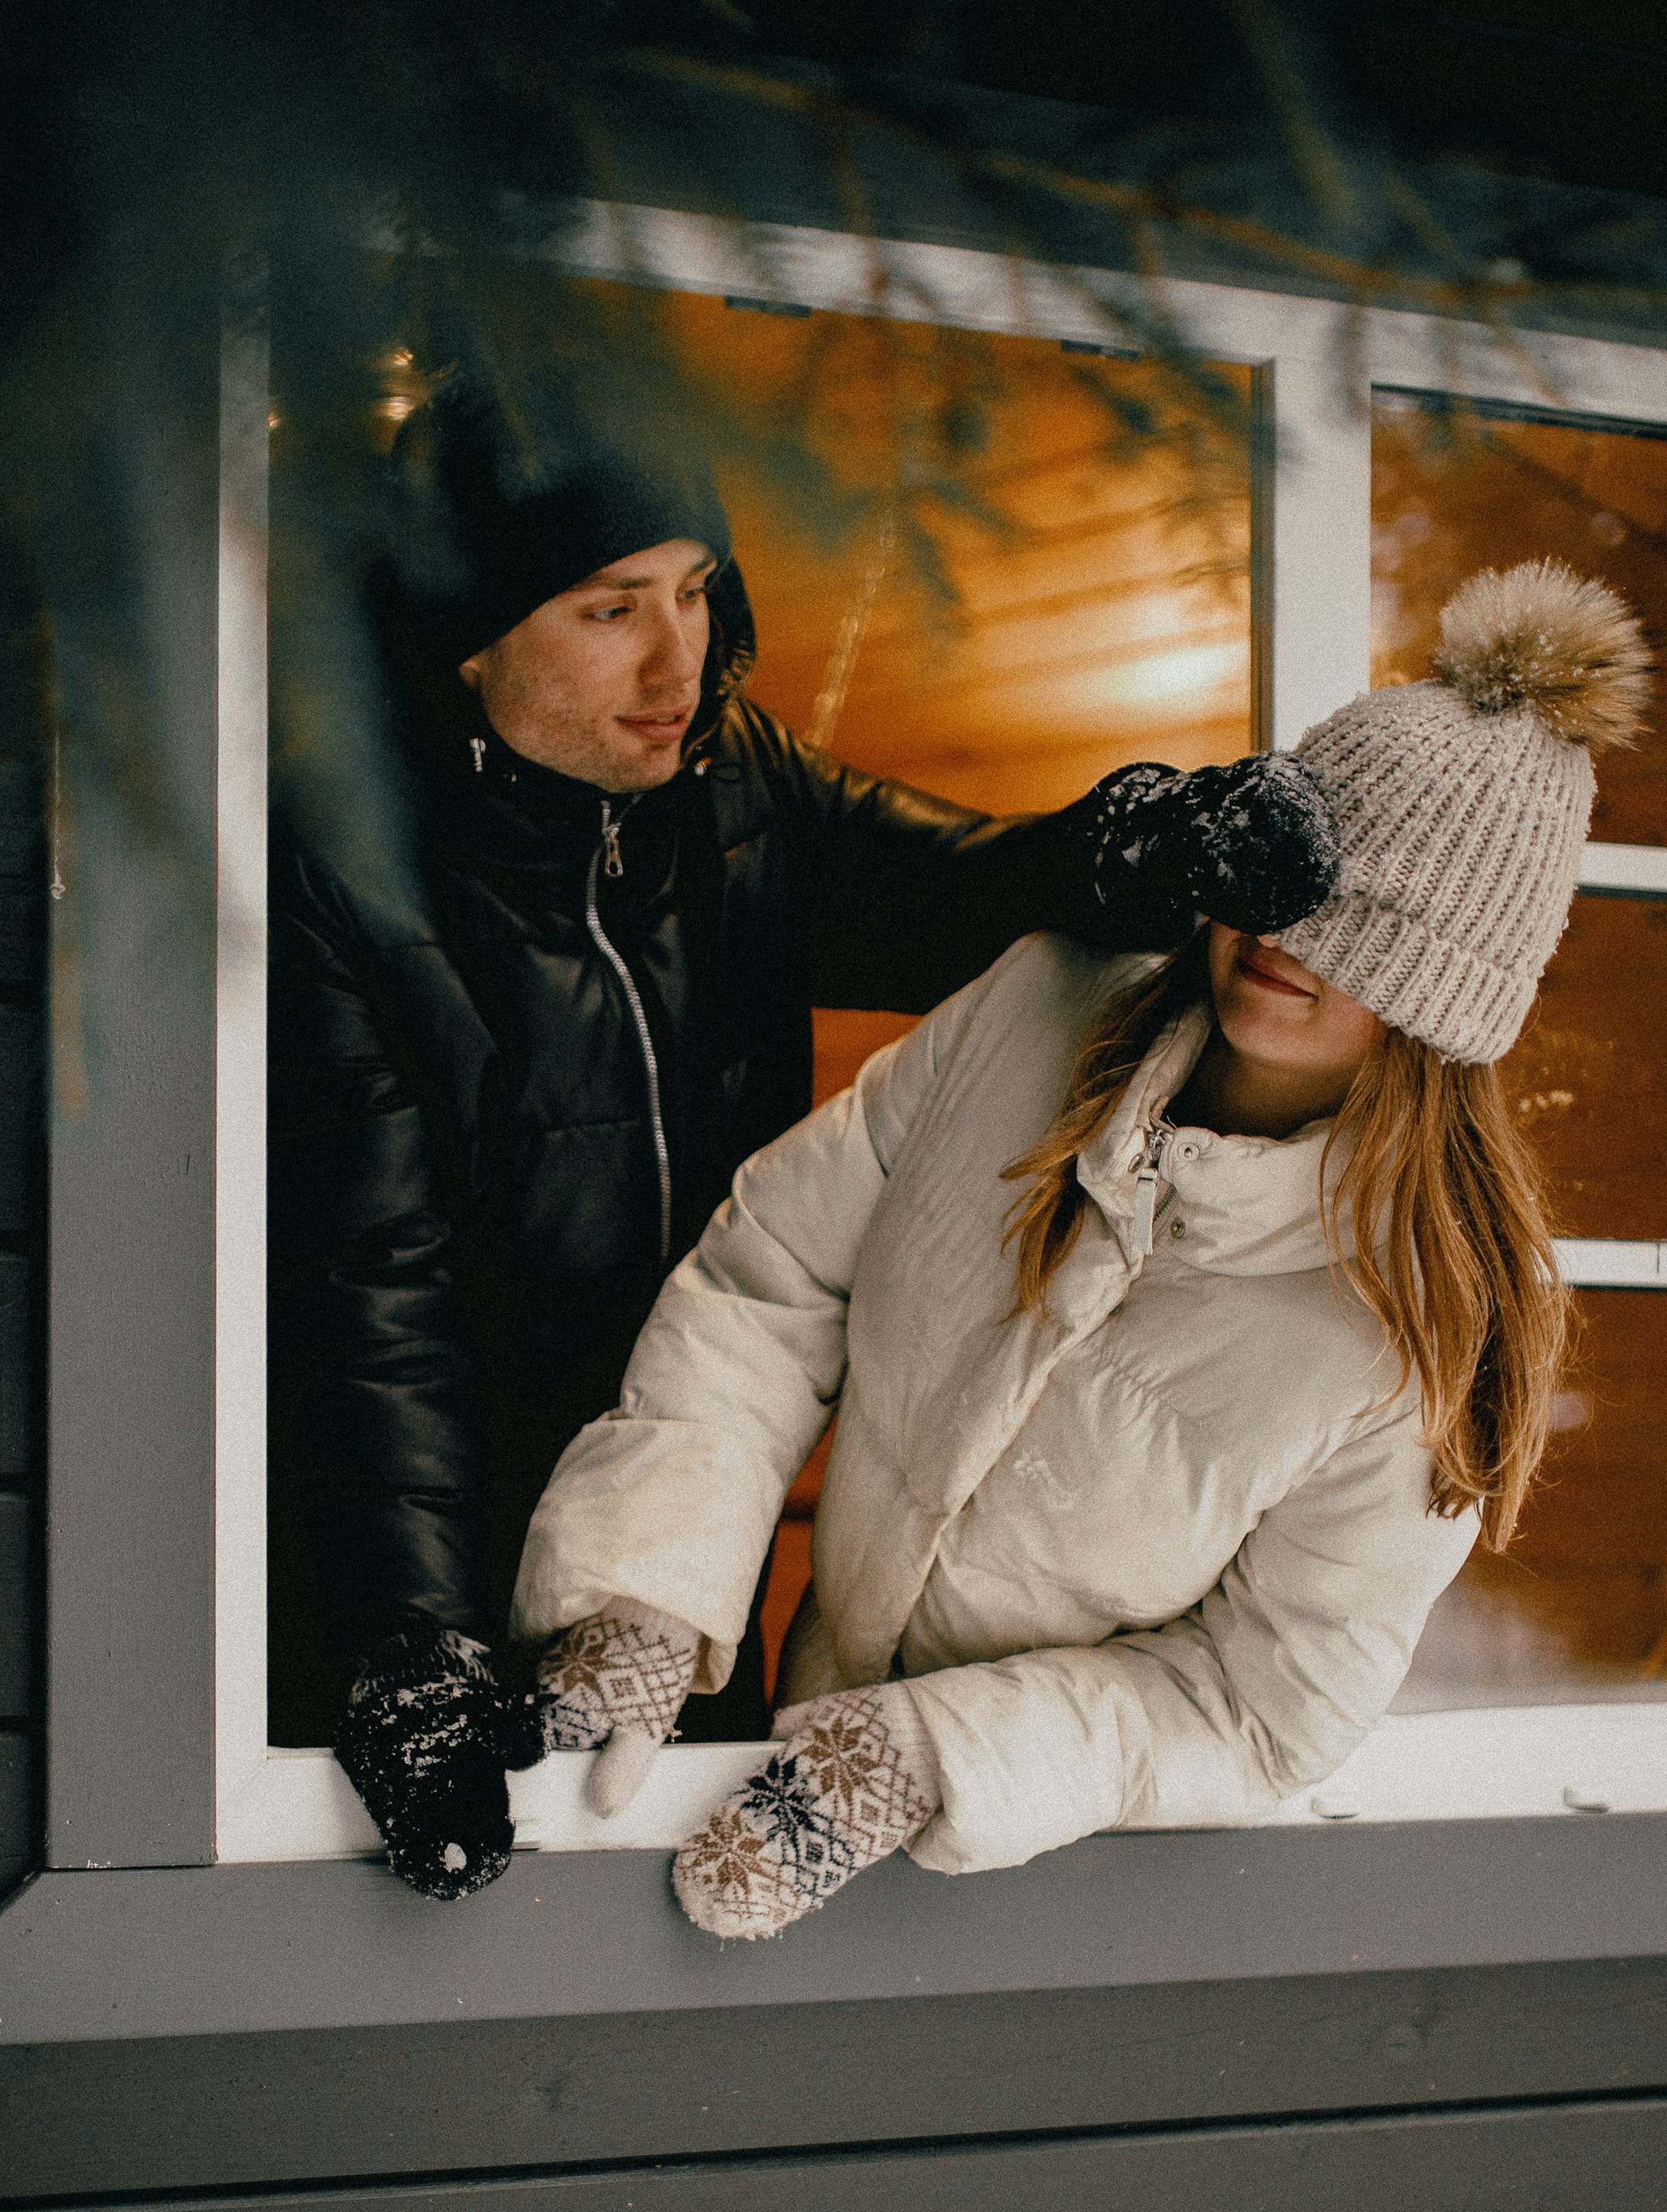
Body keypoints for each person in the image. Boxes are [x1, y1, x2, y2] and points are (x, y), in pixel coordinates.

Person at [270, 368, 1342, 1900]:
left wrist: (1140, 852)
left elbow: (958, 894)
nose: (678, 662)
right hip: (423, 1567)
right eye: (608, 609)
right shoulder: (348, 867)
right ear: (470, 633)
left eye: (698, 595)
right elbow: (372, 1292)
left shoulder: (734, 794)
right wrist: (408, 1647)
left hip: (681, 1541)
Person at [517, 559, 1648, 1938]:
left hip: (1043, 1882)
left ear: (1444, 993)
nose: (1288, 933)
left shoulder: (1411, 1335)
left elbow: (1263, 1704)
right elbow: (774, 1280)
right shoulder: (1035, 1006)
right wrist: (647, 1583)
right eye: (1285, 870)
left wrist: (931, 1756)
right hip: (764, 1753)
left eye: (1371, 925)